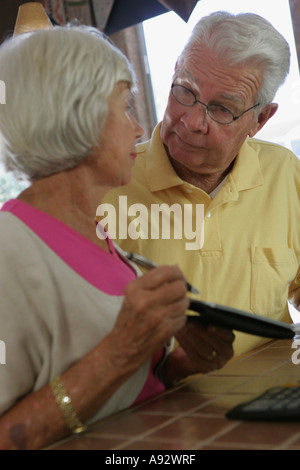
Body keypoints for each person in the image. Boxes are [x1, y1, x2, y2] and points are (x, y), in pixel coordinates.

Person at [0, 23, 234, 450]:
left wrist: (180, 363)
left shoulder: (102, 238)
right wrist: (120, 351)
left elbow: (133, 388)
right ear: (77, 114)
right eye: (125, 106)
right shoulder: (8, 248)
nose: (139, 128)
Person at [102, 11, 300, 357]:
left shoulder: (285, 172)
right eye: (185, 91)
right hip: (160, 405)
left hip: (273, 398)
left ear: (261, 119)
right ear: (175, 70)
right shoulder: (108, 184)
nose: (193, 121)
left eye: (222, 109)